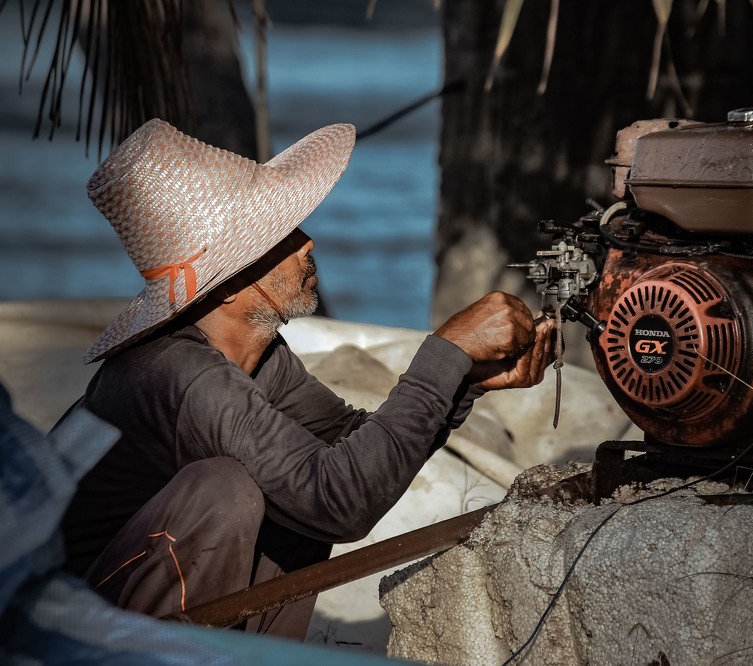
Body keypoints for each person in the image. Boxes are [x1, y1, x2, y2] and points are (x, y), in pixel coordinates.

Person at [57, 119, 555, 639]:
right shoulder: (180, 375)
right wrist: (443, 352)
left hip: (131, 604)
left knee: (296, 492)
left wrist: (463, 380)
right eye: (281, 236)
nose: (307, 242)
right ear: (227, 284)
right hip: (70, 628)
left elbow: (351, 448)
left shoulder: (259, 356)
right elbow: (343, 502)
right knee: (231, 490)